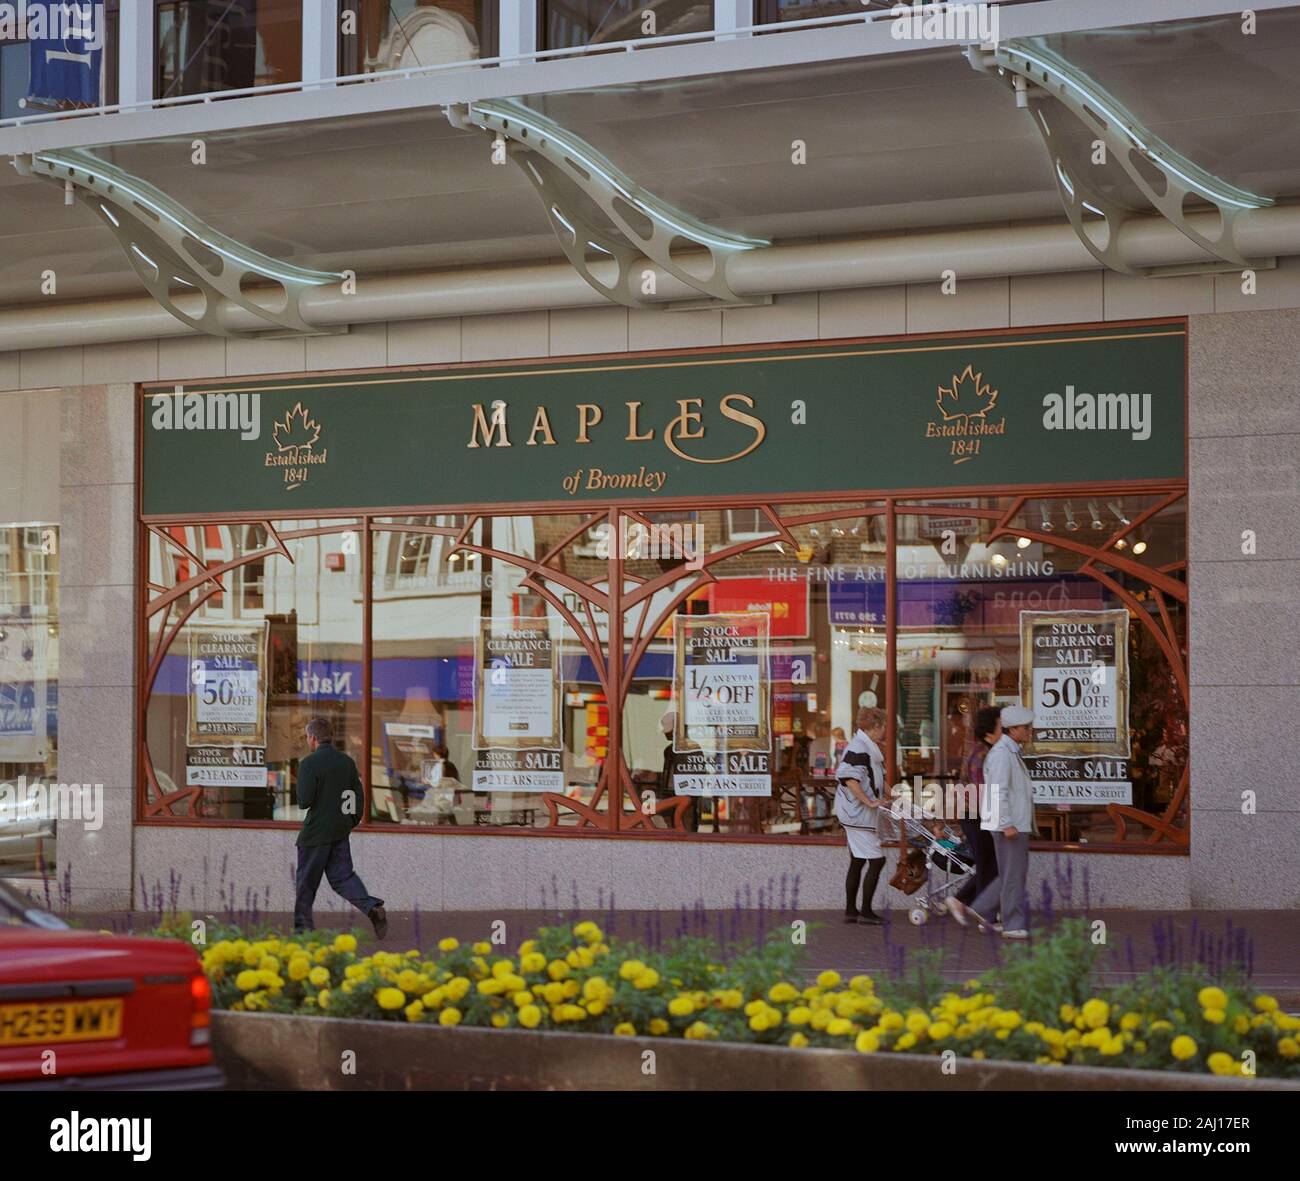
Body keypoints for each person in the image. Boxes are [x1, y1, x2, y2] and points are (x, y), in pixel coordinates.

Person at [294, 717, 388, 938]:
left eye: (308, 737)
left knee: (306, 883)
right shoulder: (346, 762)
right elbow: (358, 795)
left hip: (315, 834)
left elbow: (304, 801)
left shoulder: (308, 764)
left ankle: (302, 930)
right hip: (340, 832)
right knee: (343, 878)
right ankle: (372, 908)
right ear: (331, 737)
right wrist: (351, 820)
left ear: (313, 738)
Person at [967, 705, 1036, 940]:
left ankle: (984, 909)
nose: (1030, 731)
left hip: (1012, 823)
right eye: (1026, 727)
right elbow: (998, 791)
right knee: (1013, 875)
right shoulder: (1003, 754)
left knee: (1011, 874)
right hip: (1008, 824)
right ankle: (1011, 923)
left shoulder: (1009, 751)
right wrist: (1006, 822)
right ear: (1013, 729)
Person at [834, 707, 889, 925]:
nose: (884, 730)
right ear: (876, 727)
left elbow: (878, 781)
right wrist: (870, 801)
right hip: (857, 815)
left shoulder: (868, 748)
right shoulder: (859, 748)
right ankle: (865, 911)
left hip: (854, 814)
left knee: (857, 861)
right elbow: (849, 778)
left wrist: (896, 797)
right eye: (883, 726)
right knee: (877, 861)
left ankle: (851, 911)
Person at [947, 705, 1001, 928]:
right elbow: (981, 791)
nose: (1004, 730)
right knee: (990, 865)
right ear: (990, 731)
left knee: (989, 864)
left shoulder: (981, 750)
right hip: (977, 816)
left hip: (974, 815)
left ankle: (964, 902)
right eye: (1001, 726)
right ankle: (979, 911)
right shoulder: (982, 754)